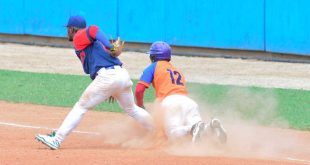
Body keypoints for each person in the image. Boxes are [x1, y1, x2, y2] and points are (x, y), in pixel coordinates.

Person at [35, 15, 154, 150]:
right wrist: (110, 90)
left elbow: (93, 29)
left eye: (68, 28)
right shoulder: (92, 45)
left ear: (73, 29)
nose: (67, 31)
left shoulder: (79, 36)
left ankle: (57, 139)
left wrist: (110, 46)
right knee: (132, 109)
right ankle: (159, 131)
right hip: (121, 75)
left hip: (109, 76)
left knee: (81, 106)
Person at [135, 41, 227, 143]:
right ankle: (210, 127)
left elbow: (139, 90)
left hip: (171, 102)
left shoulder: (154, 67)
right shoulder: (177, 70)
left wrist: (140, 106)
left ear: (153, 56)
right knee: (199, 131)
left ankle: (192, 128)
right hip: (189, 102)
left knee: (173, 134)